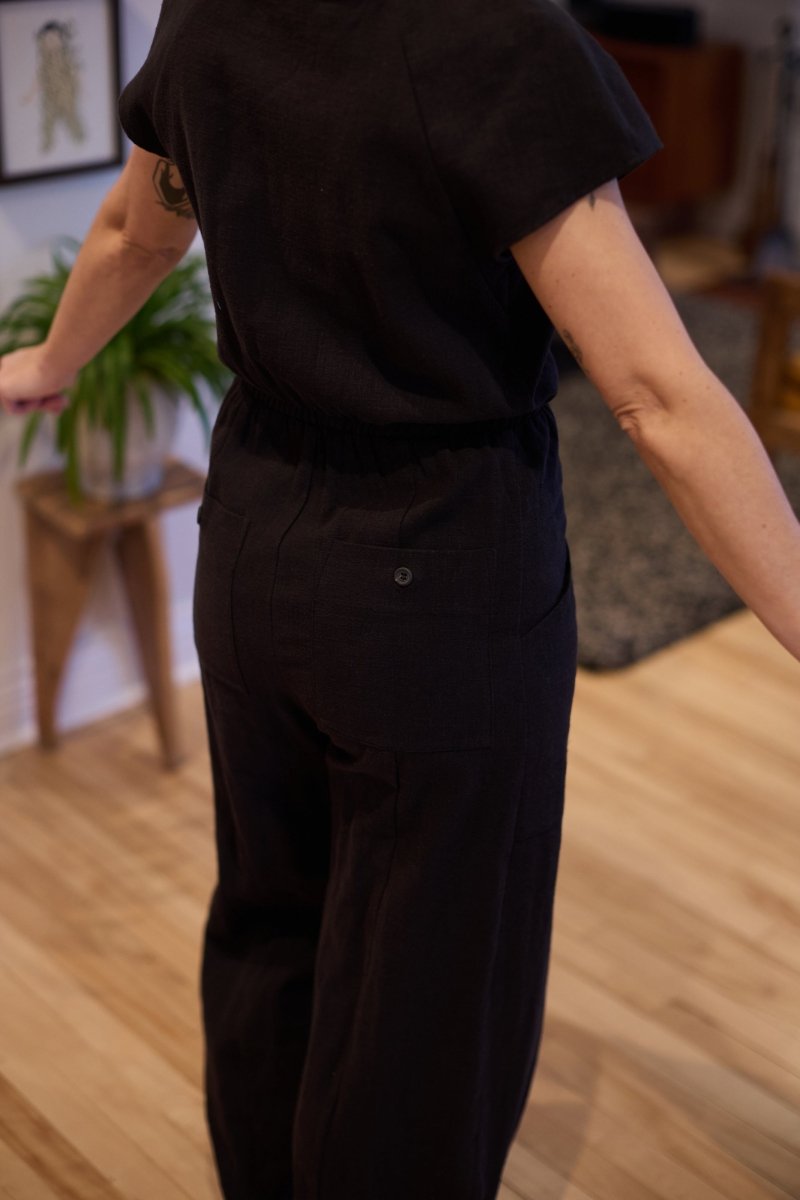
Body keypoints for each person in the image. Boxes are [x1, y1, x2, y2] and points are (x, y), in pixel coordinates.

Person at [2, 1, 798, 1197]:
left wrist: (48, 363)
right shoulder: (500, 35)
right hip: (440, 570)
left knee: (271, 921)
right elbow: (655, 396)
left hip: (256, 542)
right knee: (426, 988)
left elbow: (133, 229)